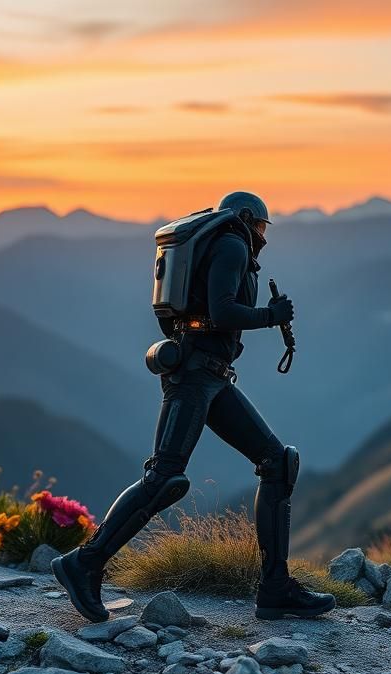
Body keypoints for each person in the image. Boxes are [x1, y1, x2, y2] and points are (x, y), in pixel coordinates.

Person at [52, 191, 336, 622]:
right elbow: (223, 312)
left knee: (277, 462)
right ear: (247, 219)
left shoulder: (214, 243)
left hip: (209, 376)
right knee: (164, 478)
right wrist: (272, 315)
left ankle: (276, 590)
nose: (263, 236)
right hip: (195, 376)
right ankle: (84, 563)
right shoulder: (232, 244)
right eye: (262, 227)